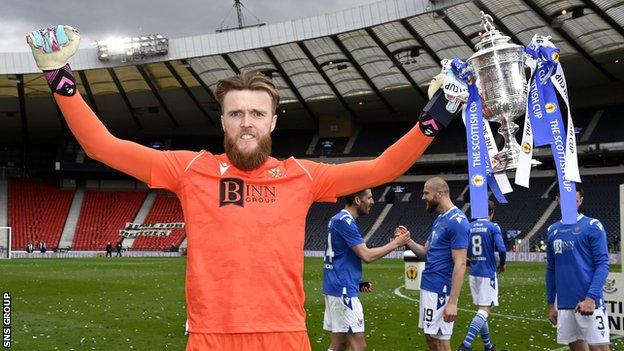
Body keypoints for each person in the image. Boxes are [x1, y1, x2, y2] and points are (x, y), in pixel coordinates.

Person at [26, 25, 456, 350]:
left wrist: (441, 111)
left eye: (255, 113)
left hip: (284, 335)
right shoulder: (190, 169)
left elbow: (384, 167)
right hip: (211, 335)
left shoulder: (303, 176)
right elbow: (103, 147)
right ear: (223, 122)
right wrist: (60, 81)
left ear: (271, 121)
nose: (245, 122)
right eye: (235, 114)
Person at [323, 189, 410, 351]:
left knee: (339, 344)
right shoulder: (345, 221)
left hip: (337, 286)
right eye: (369, 198)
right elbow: (367, 255)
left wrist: (357, 284)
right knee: (358, 345)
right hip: (343, 291)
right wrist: (396, 243)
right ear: (357, 200)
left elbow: (339, 258)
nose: (372, 202)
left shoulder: (338, 219)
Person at [402, 177, 470, 351]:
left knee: (440, 341)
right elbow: (426, 254)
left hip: (441, 289)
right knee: (431, 338)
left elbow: (461, 263)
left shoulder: (457, 221)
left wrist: (453, 302)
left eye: (426, 193)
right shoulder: (440, 220)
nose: (423, 197)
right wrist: (408, 241)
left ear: (440, 194)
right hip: (429, 286)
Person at [546, 187, 610, 351]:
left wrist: (591, 298)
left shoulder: (592, 226)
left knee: (600, 349)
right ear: (558, 200)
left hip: (589, 303)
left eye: (574, 200)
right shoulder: (552, 230)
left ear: (580, 201)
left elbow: (602, 264)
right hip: (564, 305)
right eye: (565, 200)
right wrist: (551, 304)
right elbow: (551, 269)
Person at [458, 200, 506, 351]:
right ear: (492, 212)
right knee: (485, 310)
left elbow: (464, 249)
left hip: (474, 273)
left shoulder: (469, 227)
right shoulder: (493, 226)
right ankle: (466, 345)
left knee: (481, 309)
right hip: (487, 273)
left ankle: (488, 346)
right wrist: (502, 264)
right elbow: (502, 249)